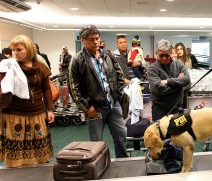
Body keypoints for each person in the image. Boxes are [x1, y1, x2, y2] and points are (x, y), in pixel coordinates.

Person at [68, 25, 128, 158]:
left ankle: (124, 163)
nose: (95, 42)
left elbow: (119, 75)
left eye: (97, 38)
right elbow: (73, 87)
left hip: (114, 106)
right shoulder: (77, 60)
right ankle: (99, 167)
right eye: (91, 39)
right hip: (94, 108)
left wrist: (118, 95)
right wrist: (86, 107)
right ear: (83, 40)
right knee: (97, 144)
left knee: (121, 137)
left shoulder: (108, 55)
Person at [0, 35, 55, 167]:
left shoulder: (40, 67)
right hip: (14, 113)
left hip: (37, 113)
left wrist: (50, 109)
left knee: (38, 150)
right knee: (17, 149)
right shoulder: (8, 66)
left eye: (19, 50)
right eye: (13, 50)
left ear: (29, 50)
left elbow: (46, 89)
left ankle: (38, 174)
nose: (15, 53)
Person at [147, 39, 191, 121]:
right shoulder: (152, 68)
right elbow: (158, 90)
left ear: (171, 53)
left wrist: (168, 81)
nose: (164, 58)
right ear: (156, 54)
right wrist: (179, 84)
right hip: (159, 109)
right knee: (160, 133)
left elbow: (188, 82)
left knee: (177, 133)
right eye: (161, 55)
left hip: (177, 108)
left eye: (167, 55)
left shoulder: (178, 63)